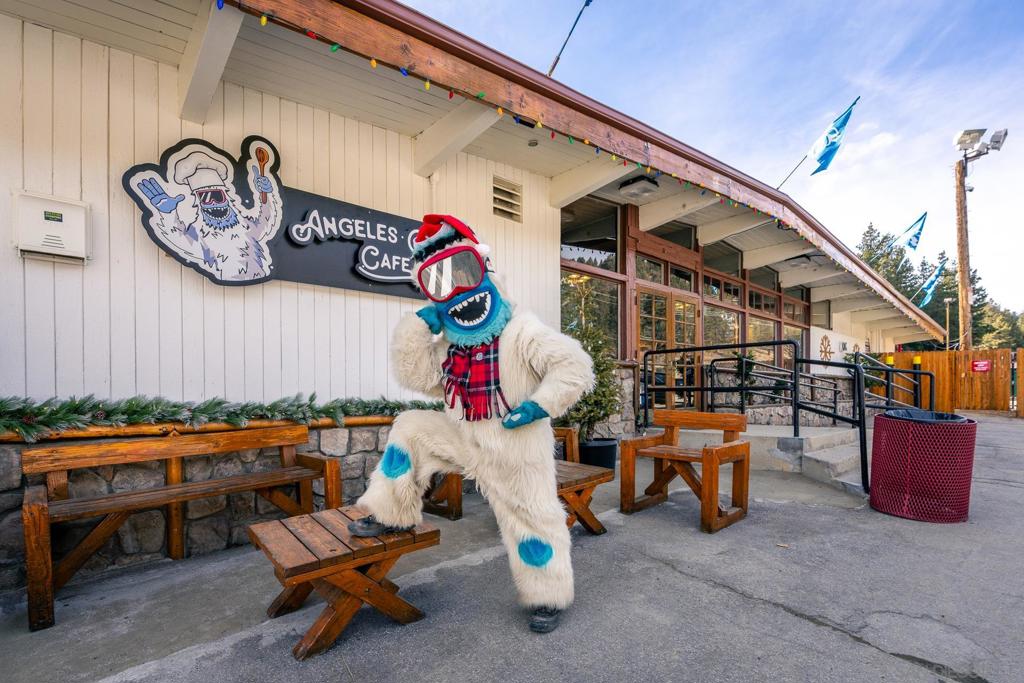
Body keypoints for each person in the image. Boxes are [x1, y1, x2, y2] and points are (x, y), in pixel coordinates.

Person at [349, 214, 594, 633]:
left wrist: (539, 405)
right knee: (410, 426)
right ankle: (390, 512)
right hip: (468, 441)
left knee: (534, 519)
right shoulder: (450, 349)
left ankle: (548, 597)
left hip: (517, 452)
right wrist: (415, 331)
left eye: (463, 270)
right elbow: (419, 378)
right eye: (439, 282)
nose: (457, 291)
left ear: (485, 270)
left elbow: (573, 365)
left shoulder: (521, 330)